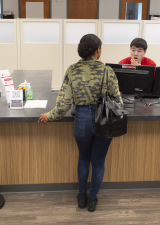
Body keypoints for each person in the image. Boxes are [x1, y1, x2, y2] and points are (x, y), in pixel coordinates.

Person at [38, 34, 121, 212]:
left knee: (84, 158)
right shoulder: (108, 71)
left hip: (81, 118)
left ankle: (81, 197)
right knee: (98, 161)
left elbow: (63, 105)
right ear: (98, 50)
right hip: (104, 119)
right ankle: (92, 200)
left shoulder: (72, 70)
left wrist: (49, 116)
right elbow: (117, 101)